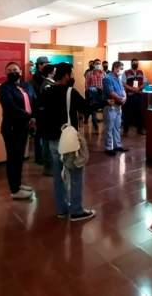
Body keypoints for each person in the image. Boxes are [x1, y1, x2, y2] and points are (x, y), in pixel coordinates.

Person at [42, 62, 112, 221]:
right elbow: (86, 108)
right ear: (66, 75)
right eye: (72, 74)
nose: (73, 77)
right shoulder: (70, 92)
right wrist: (104, 102)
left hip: (53, 139)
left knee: (58, 175)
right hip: (68, 139)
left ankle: (61, 208)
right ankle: (76, 210)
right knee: (76, 174)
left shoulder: (48, 91)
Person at [0, 62, 36, 199]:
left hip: (24, 126)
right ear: (6, 73)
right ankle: (14, 190)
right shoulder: (4, 88)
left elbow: (34, 101)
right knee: (13, 158)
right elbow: (11, 107)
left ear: (20, 71)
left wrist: (34, 116)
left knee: (19, 158)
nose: (12, 72)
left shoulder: (26, 86)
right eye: (9, 70)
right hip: (12, 127)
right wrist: (29, 117)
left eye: (15, 69)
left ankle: (18, 184)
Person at [102, 61, 128, 156]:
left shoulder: (118, 78)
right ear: (115, 68)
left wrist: (124, 98)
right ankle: (108, 147)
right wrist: (120, 99)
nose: (121, 71)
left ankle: (117, 145)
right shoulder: (107, 78)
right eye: (121, 69)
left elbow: (123, 90)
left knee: (117, 127)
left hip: (118, 106)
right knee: (109, 127)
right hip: (110, 106)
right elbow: (110, 92)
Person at [31, 56, 50, 164]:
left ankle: (43, 155)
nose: (47, 66)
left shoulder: (42, 77)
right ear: (39, 65)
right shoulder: (37, 78)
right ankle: (39, 156)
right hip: (40, 108)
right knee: (39, 133)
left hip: (43, 108)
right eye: (45, 64)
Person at [38, 64, 56, 176]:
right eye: (54, 72)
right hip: (48, 117)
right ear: (50, 74)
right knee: (47, 143)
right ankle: (48, 167)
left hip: (48, 116)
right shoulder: (48, 85)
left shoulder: (50, 83)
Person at [121, 58, 147, 136]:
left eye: (136, 63)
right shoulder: (126, 72)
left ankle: (139, 129)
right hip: (129, 96)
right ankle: (125, 130)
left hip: (139, 95)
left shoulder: (141, 72)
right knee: (127, 113)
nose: (135, 64)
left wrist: (139, 88)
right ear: (131, 63)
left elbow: (144, 83)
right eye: (134, 63)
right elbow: (124, 83)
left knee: (139, 113)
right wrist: (132, 89)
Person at [84, 58, 105, 134]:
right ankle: (96, 126)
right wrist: (90, 91)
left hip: (102, 93)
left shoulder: (104, 74)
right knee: (93, 111)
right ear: (93, 64)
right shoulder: (89, 74)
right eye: (96, 63)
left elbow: (106, 84)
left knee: (104, 109)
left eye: (99, 63)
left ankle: (105, 126)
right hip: (93, 94)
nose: (98, 65)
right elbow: (87, 85)